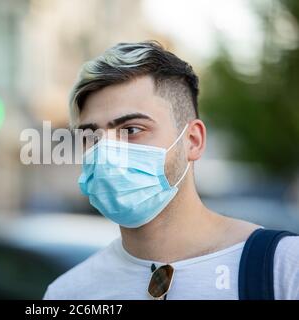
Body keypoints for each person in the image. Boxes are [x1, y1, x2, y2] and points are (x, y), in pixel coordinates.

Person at [43, 41, 299, 300]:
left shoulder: (283, 269)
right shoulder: (68, 293)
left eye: (131, 130)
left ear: (192, 140)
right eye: (92, 137)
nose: (107, 154)